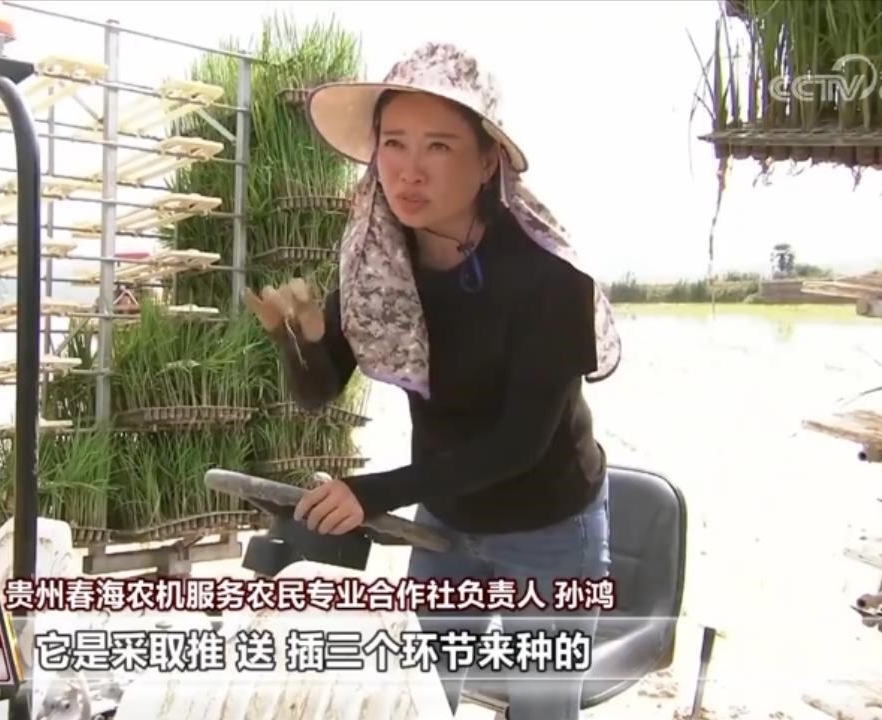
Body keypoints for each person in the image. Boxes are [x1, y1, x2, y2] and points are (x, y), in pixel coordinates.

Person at [243, 42, 622, 720]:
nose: (408, 170)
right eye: (394, 143)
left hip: (550, 528)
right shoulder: (377, 263)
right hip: (446, 521)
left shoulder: (551, 280)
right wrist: (294, 341)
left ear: (488, 161)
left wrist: (369, 493)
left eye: (439, 147)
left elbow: (519, 444)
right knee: (420, 702)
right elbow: (319, 392)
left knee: (542, 708)